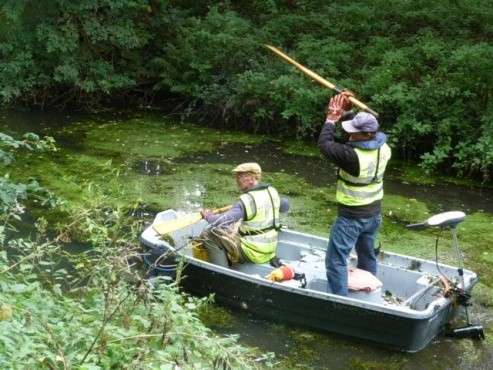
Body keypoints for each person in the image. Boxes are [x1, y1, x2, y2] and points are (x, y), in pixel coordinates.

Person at [318, 92, 391, 296]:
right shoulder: (384, 147)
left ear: (366, 135)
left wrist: (332, 118)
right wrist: (349, 111)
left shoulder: (352, 157)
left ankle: (339, 301)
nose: (349, 135)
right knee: (367, 255)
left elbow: (325, 145)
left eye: (354, 132)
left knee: (336, 260)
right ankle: (367, 290)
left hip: (351, 217)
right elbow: (363, 128)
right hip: (373, 214)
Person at [199, 162, 289, 265]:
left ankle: (221, 270)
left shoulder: (247, 200)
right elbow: (285, 206)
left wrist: (208, 215)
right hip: (270, 250)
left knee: (208, 234)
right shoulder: (271, 191)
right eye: (237, 177)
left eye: (241, 177)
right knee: (233, 227)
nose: (237, 181)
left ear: (252, 178)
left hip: (253, 252)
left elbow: (220, 221)